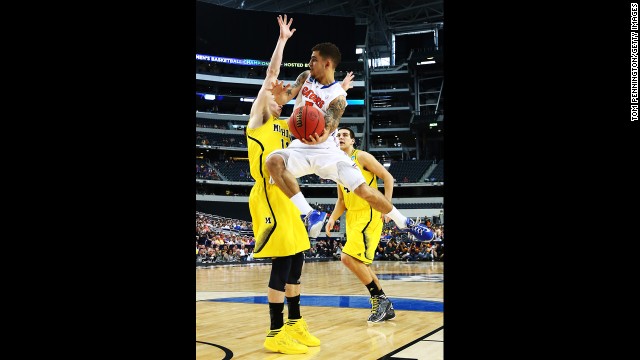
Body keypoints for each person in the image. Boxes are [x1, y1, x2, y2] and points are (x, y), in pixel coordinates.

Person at [266, 42, 433, 242]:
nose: (310, 62)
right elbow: (286, 96)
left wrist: (316, 132)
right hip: (300, 146)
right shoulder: (305, 77)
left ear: (327, 63)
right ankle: (310, 214)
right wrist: (278, 95)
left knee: (362, 190)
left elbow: (326, 130)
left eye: (314, 59)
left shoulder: (338, 97)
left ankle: (404, 222)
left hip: (327, 150)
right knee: (272, 161)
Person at [245, 14, 320, 355]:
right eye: (274, 94)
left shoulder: (287, 124)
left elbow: (300, 86)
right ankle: (275, 334)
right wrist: (283, 41)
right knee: (282, 261)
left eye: (283, 95)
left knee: (297, 259)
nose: (280, 96)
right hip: (268, 195)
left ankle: (295, 324)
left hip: (287, 194)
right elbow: (272, 77)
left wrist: (309, 80)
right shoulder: (260, 115)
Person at [324, 126, 396, 323]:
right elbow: (342, 201)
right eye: (338, 135)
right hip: (353, 217)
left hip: (370, 212)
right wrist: (332, 218)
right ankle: (383, 303)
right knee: (360, 263)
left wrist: (386, 206)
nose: (341, 137)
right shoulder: (337, 164)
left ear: (353, 141)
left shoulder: (362, 157)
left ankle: (380, 300)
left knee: (347, 258)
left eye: (345, 135)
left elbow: (388, 178)